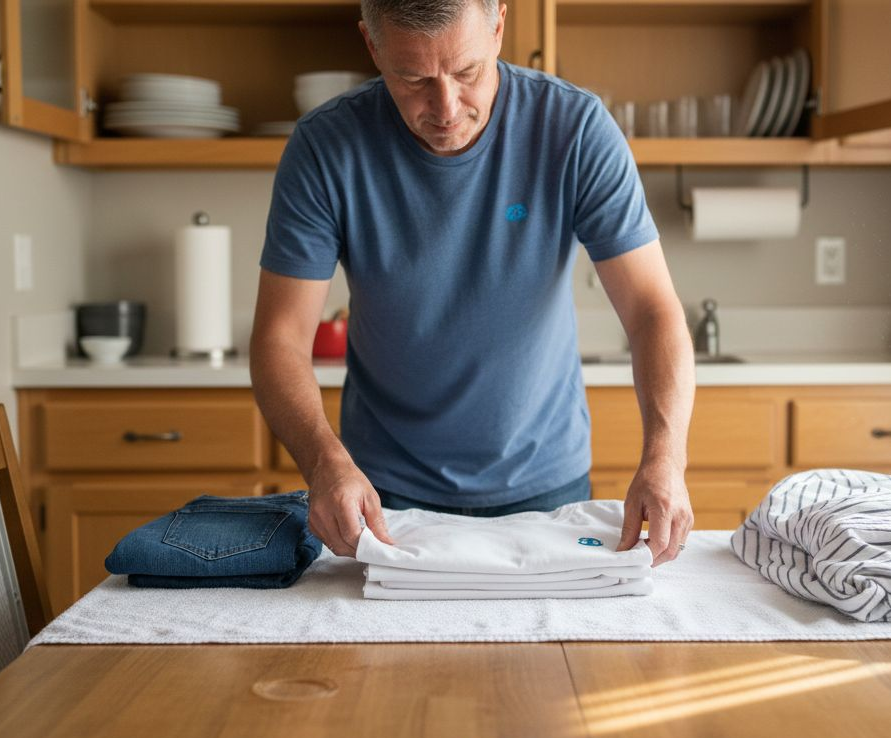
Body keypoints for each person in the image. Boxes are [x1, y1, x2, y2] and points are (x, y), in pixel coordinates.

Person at [249, 0, 694, 566]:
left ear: (499, 26)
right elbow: (280, 339)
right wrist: (323, 463)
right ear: (372, 45)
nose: (446, 107)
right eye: (413, 79)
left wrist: (666, 458)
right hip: (382, 494)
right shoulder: (325, 146)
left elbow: (652, 310)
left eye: (467, 72)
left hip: (546, 485)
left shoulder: (574, 127)